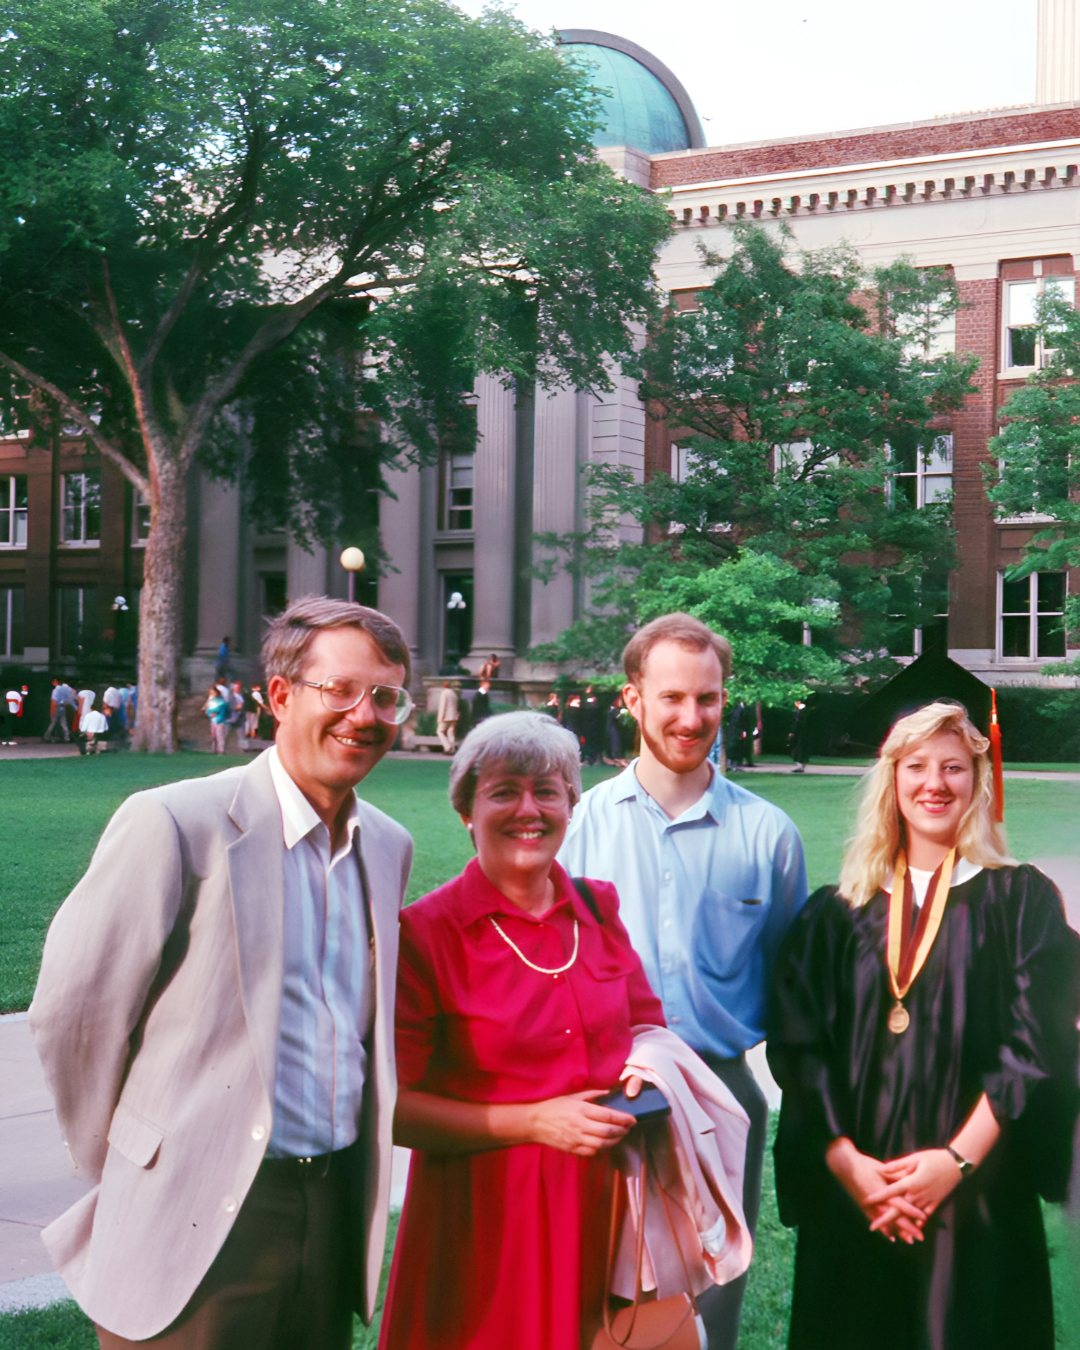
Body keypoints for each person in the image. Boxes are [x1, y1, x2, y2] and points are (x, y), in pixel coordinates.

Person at [30, 596, 415, 1348]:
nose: (364, 716)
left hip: (332, 1208)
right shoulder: (176, 822)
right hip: (196, 1212)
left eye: (386, 696)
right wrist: (133, 1156)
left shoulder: (388, 846)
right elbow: (73, 1013)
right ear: (279, 696)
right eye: (339, 690)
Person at [767, 700, 1080, 1350]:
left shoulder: (1019, 901)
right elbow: (800, 1047)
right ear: (893, 777)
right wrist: (846, 1164)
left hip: (978, 1196)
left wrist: (954, 1162)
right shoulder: (838, 912)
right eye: (917, 766)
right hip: (856, 1196)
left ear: (977, 781)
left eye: (954, 768)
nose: (934, 784)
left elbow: (1037, 1043)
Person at [558, 612, 809, 1350]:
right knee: (596, 1306)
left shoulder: (769, 836)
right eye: (671, 698)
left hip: (722, 1089)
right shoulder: (577, 826)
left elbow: (789, 986)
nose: (691, 717)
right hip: (602, 1092)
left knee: (710, 1310)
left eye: (707, 698)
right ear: (633, 700)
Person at [378, 712, 666, 1350]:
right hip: (486, 1218)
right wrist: (535, 1121)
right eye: (504, 791)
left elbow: (648, 1025)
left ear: (571, 804)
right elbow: (394, 1111)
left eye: (547, 790)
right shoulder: (427, 935)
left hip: (607, 1204)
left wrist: (647, 1069)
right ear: (466, 811)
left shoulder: (597, 907)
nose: (528, 810)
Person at [44, 679, 76, 743]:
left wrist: (52, 712)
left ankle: (46, 737)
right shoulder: (66, 689)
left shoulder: (56, 690)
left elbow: (54, 702)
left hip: (57, 707)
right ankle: (67, 737)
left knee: (53, 723)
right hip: (63, 707)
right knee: (63, 723)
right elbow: (73, 694)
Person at [203, 683, 231, 754]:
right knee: (213, 736)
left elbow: (226, 710)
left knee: (219, 736)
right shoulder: (212, 701)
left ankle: (221, 750)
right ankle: (214, 749)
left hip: (220, 720)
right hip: (213, 721)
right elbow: (208, 710)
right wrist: (210, 714)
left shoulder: (222, 702)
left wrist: (216, 712)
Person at [436, 680, 459, 754]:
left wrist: (440, 717)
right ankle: (452, 749)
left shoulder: (444, 693)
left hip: (446, 716)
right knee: (450, 733)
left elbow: (443, 705)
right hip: (454, 716)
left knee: (440, 731)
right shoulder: (453, 693)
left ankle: (448, 747)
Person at [788, 699, 809, 772]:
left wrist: (793, 731)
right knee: (799, 747)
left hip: (801, 732)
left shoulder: (802, 712)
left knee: (799, 747)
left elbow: (797, 723)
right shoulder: (801, 712)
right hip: (800, 732)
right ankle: (800, 763)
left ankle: (799, 763)